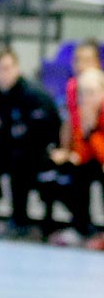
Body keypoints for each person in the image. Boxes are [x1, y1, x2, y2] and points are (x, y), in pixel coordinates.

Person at [0, 48, 60, 239]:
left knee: (20, 161)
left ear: (17, 68)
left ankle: (20, 220)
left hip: (34, 153)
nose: (2, 74)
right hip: (5, 149)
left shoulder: (34, 94)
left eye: (6, 68)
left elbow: (46, 129)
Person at [46, 66, 104, 247]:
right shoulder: (82, 113)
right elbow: (83, 155)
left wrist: (92, 131)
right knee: (74, 171)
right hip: (95, 159)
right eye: (82, 93)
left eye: (91, 92)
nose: (86, 98)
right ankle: (80, 227)